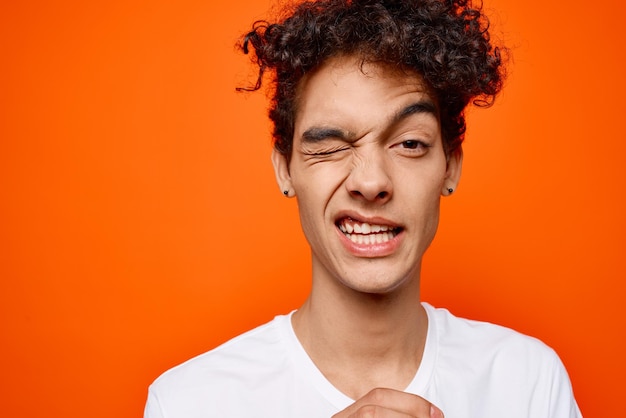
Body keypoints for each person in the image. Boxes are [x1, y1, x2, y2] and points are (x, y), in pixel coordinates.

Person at [144, 0, 582, 416]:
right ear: (285, 169)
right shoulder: (187, 403)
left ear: (450, 166)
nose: (371, 182)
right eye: (331, 146)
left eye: (409, 143)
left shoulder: (528, 382)